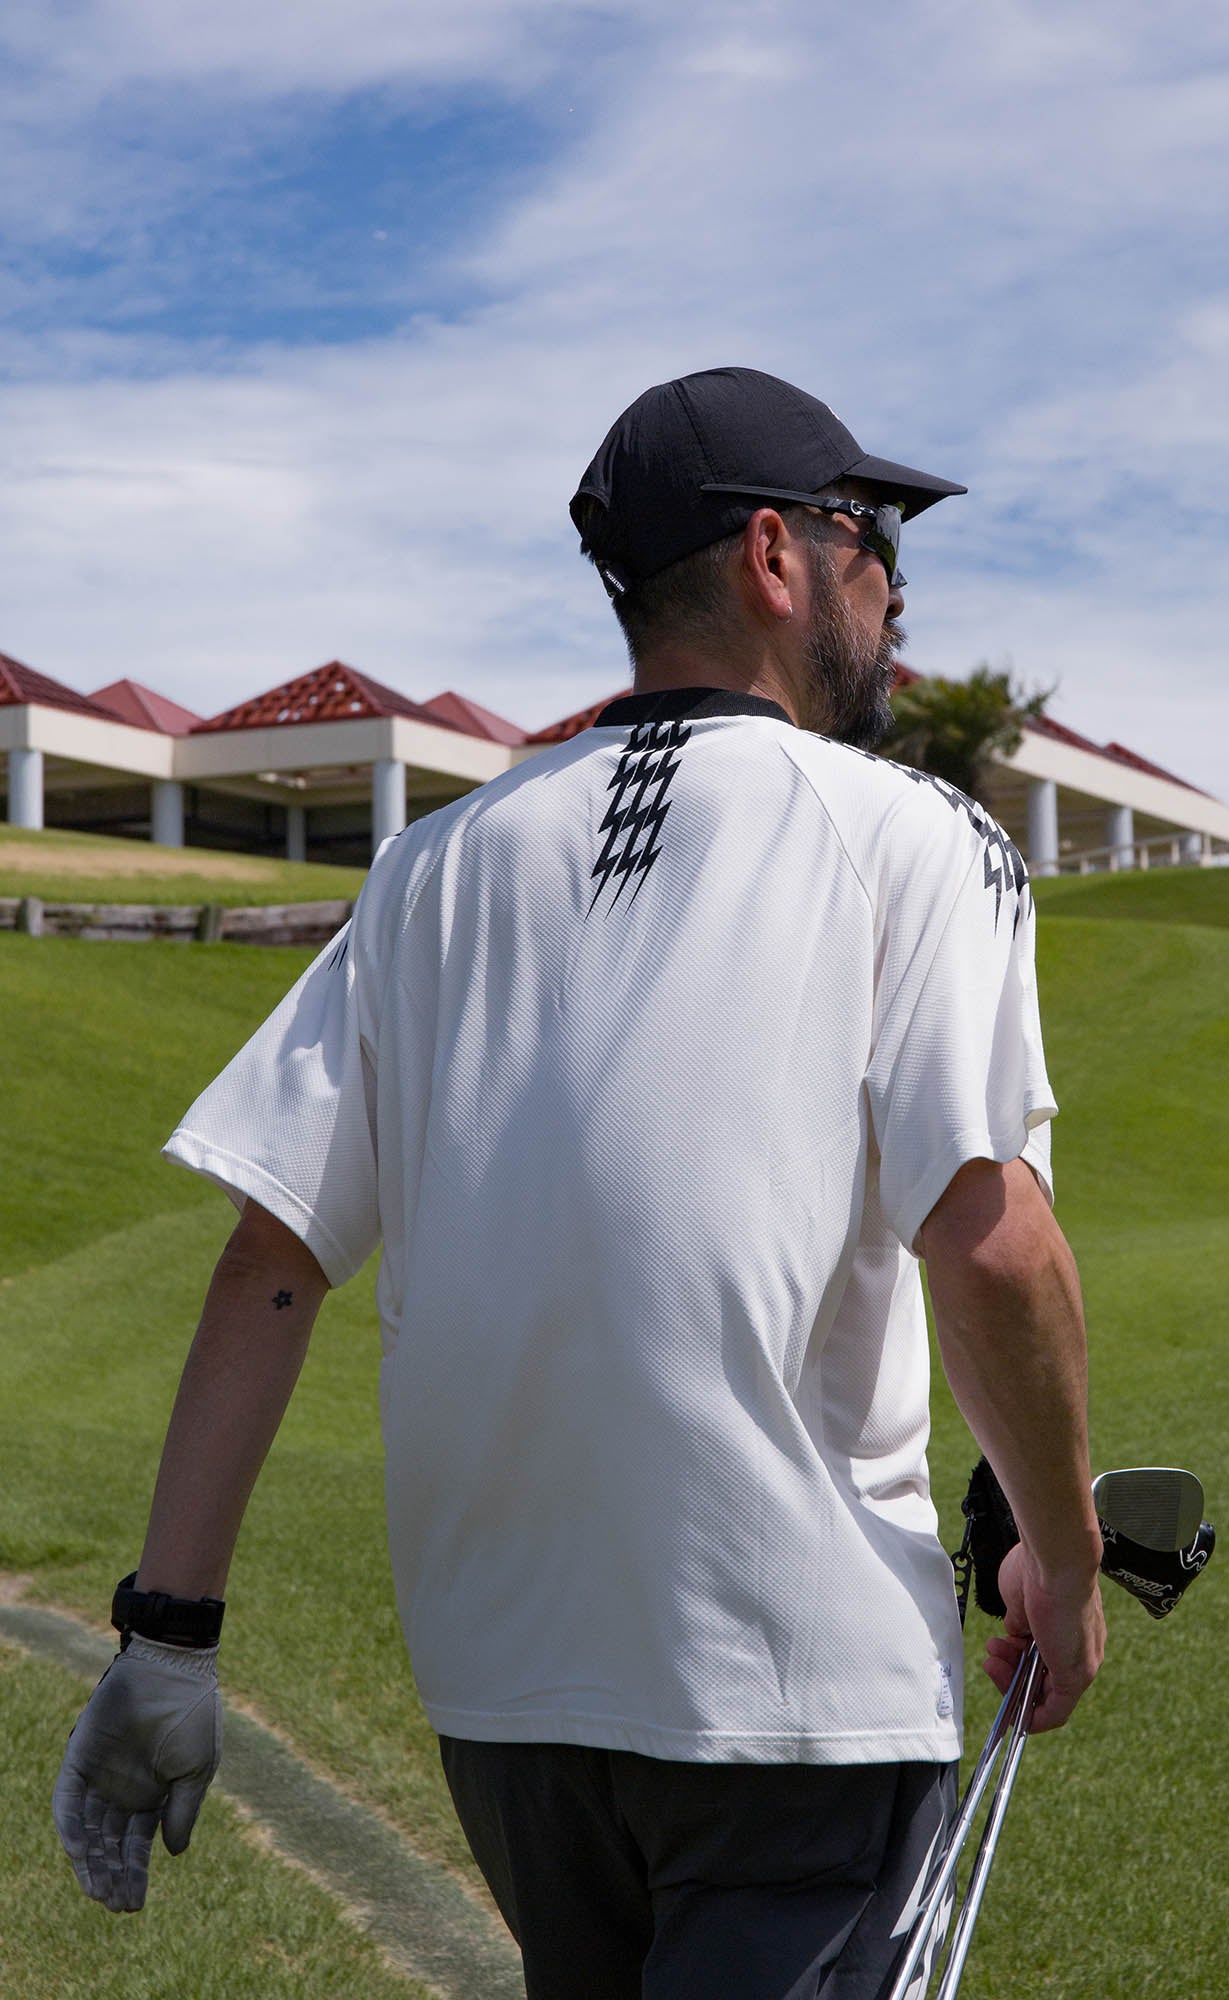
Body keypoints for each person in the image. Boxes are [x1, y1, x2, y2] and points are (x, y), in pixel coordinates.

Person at [53, 366, 1105, 1997]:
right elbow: (992, 1244)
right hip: (798, 1708)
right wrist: (1070, 1558)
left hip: (506, 1714)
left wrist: (166, 1636)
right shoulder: (917, 837)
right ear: (778, 555)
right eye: (874, 537)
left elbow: (271, 1258)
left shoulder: (430, 868)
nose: (894, 586)